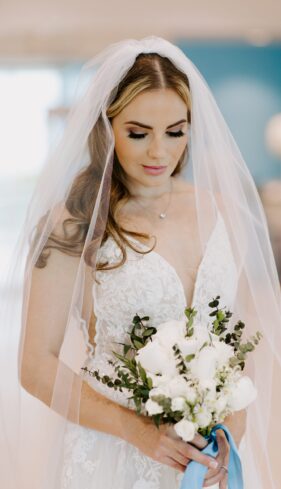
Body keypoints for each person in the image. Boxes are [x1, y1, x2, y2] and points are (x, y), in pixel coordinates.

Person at [0, 36, 280, 489]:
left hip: (210, 456)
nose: (159, 153)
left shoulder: (223, 212)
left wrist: (233, 429)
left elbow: (241, 338)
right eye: (138, 132)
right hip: (114, 452)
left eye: (175, 131)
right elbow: (36, 364)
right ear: (106, 128)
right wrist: (136, 431)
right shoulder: (75, 225)